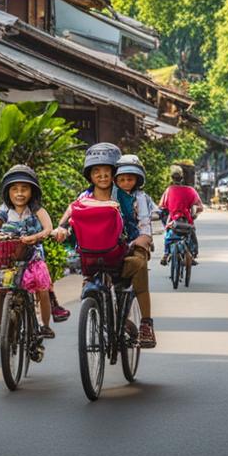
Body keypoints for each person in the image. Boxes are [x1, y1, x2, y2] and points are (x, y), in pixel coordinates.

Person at [55, 143, 157, 348]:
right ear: (90, 175)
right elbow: (71, 211)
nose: (102, 176)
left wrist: (144, 238)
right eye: (96, 172)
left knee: (138, 265)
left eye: (106, 171)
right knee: (88, 277)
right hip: (92, 251)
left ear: (114, 173)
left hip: (123, 247)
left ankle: (146, 324)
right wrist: (61, 227)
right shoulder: (84, 197)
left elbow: (142, 223)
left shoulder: (125, 196)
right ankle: (99, 312)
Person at [0, 165, 55, 338]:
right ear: (8, 192)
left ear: (32, 191)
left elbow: (48, 228)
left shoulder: (37, 210)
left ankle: (45, 325)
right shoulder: (4, 210)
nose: (19, 193)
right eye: (14, 189)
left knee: (42, 287)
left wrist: (36, 237)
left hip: (33, 257)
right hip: (9, 261)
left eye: (24, 189)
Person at [159, 164, 204, 266]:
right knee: (191, 233)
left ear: (172, 179)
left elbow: (162, 205)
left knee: (168, 233)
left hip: (172, 218)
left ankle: (166, 254)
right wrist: (193, 215)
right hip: (186, 218)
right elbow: (198, 207)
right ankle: (191, 255)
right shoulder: (191, 190)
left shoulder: (169, 190)